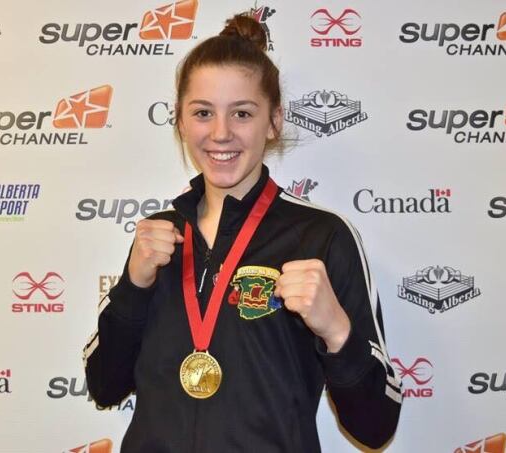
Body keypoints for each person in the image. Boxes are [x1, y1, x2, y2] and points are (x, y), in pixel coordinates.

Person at [83, 14, 401, 452]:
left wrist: (337, 331)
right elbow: (104, 386)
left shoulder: (322, 238)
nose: (220, 133)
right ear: (179, 122)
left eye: (242, 113)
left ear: (273, 121)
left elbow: (376, 427)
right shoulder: (158, 237)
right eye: (202, 113)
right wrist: (134, 288)